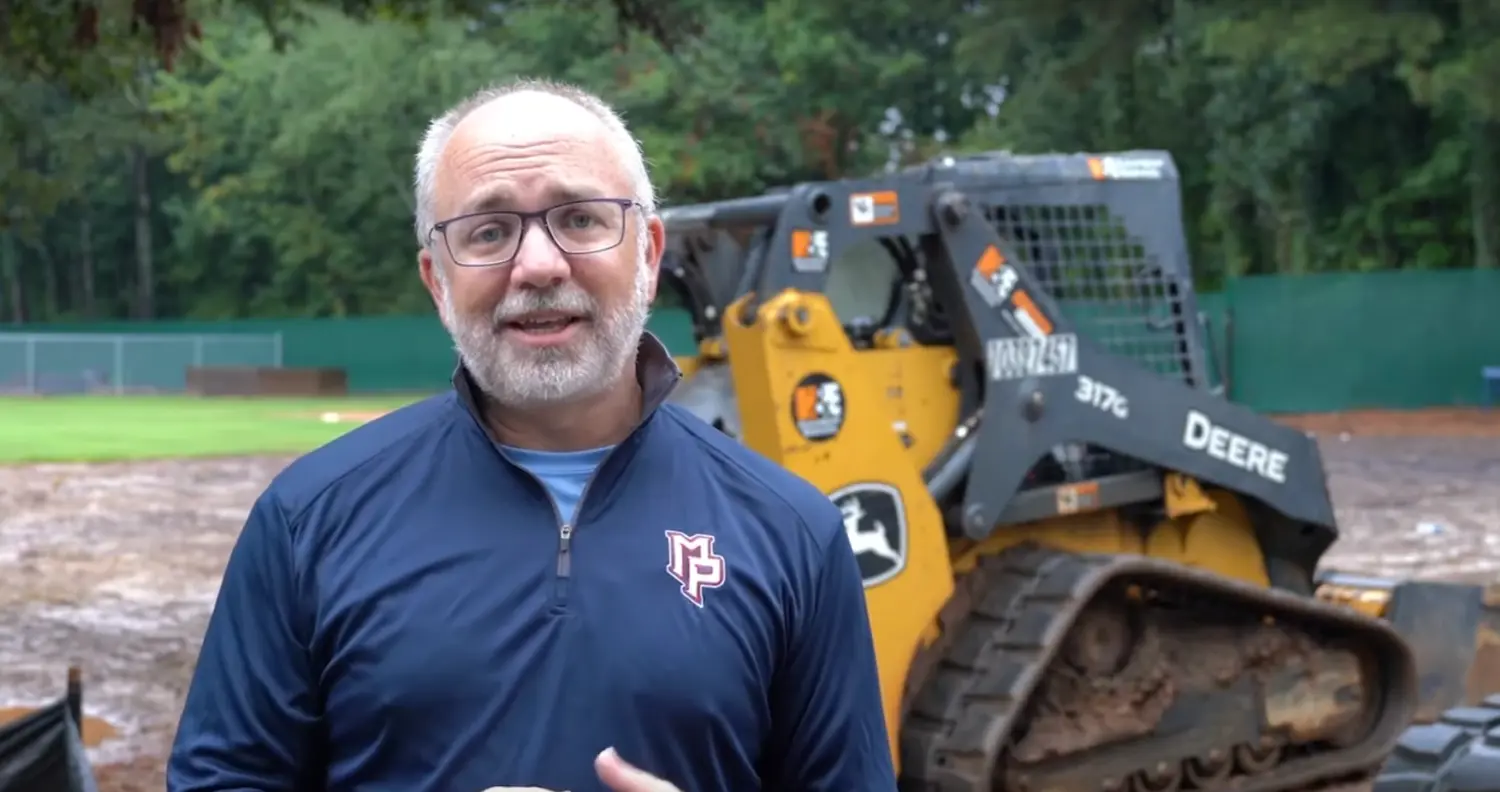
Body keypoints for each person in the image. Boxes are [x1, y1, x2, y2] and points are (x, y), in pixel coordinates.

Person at [166, 77, 897, 792]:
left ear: (647, 252)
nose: (538, 265)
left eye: (580, 218)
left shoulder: (793, 533)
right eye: (489, 231)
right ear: (436, 280)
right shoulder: (308, 520)